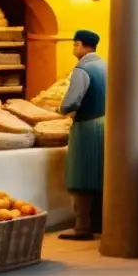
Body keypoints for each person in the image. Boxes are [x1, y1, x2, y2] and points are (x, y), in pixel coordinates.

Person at [58, 30, 107, 241]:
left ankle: (82, 227)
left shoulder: (82, 69)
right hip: (105, 124)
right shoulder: (105, 65)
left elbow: (71, 101)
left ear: (79, 45)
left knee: (81, 176)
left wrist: (60, 110)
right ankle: (101, 223)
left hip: (86, 127)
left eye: (74, 44)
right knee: (101, 176)